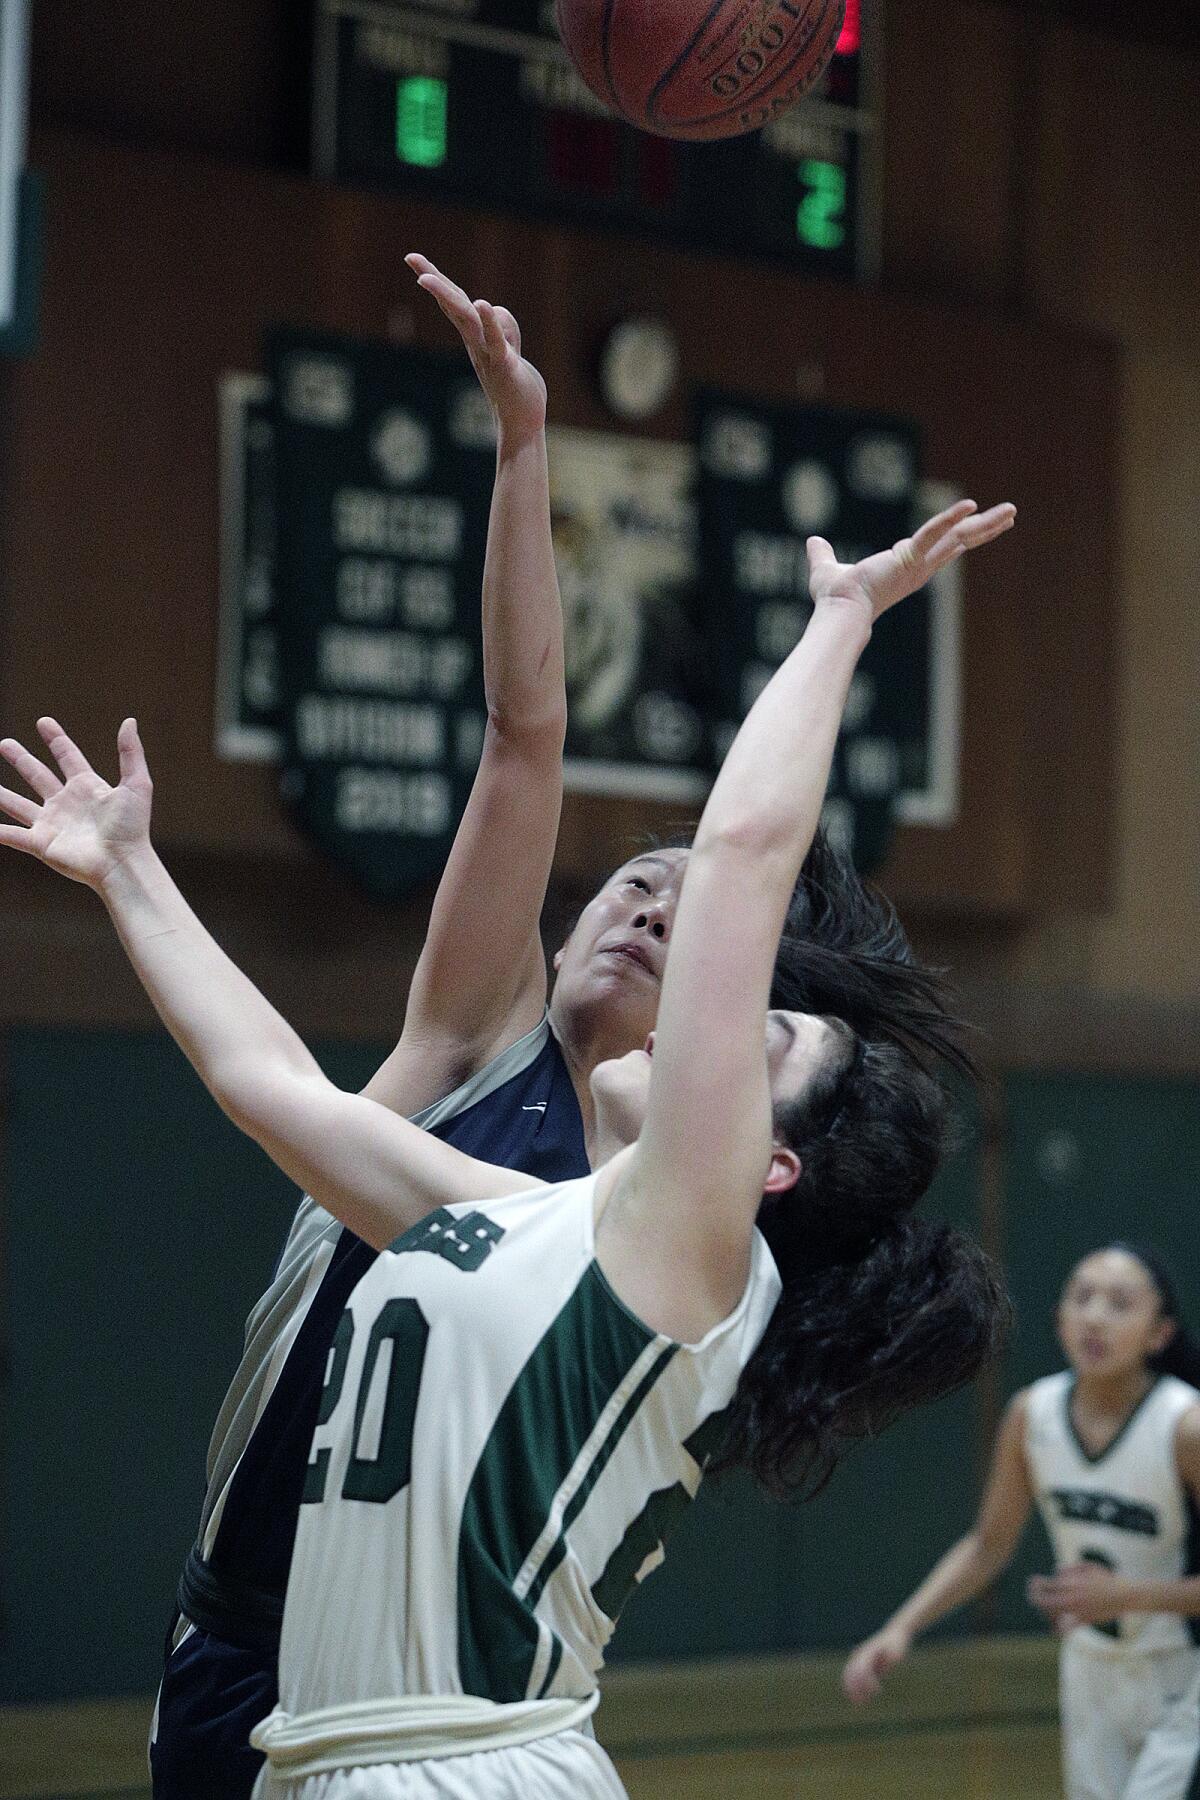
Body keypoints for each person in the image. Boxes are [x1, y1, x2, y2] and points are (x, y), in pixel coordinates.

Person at [52, 252, 973, 1798]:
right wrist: (133, 871)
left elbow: (743, 850)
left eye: (693, 931)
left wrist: (836, 629)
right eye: (630, 879)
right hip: (255, 1672)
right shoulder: (492, 1118)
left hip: (435, 1731)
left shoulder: (667, 1225)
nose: (641, 904)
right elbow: (518, 747)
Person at [842, 1243, 1200, 1800]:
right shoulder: (1032, 1414)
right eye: (1082, 1298)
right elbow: (988, 1546)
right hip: (1090, 1675)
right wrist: (901, 1627)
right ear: (1059, 1319)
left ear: (1160, 1334)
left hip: (1183, 1674)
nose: (1096, 1317)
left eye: (1120, 1303)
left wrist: (1128, 1595)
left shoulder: (1185, 1427)